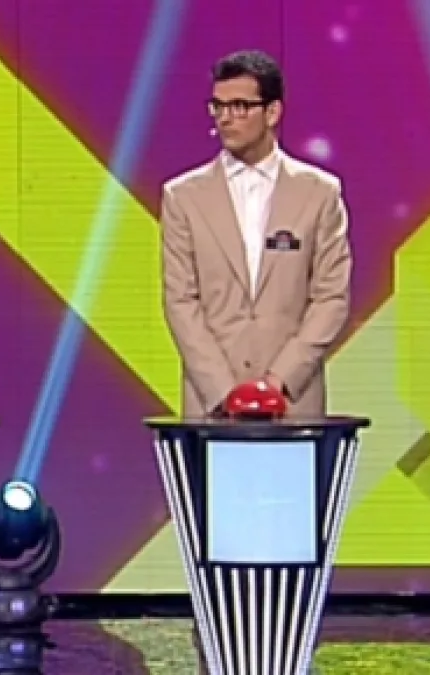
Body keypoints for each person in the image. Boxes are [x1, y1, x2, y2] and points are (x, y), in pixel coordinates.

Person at [160, 49, 352, 418]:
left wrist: (277, 382)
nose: (225, 118)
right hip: (211, 407)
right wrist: (223, 392)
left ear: (272, 112)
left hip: (293, 402)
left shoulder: (319, 193)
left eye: (239, 107)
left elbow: (331, 297)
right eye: (218, 107)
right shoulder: (182, 197)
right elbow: (180, 301)